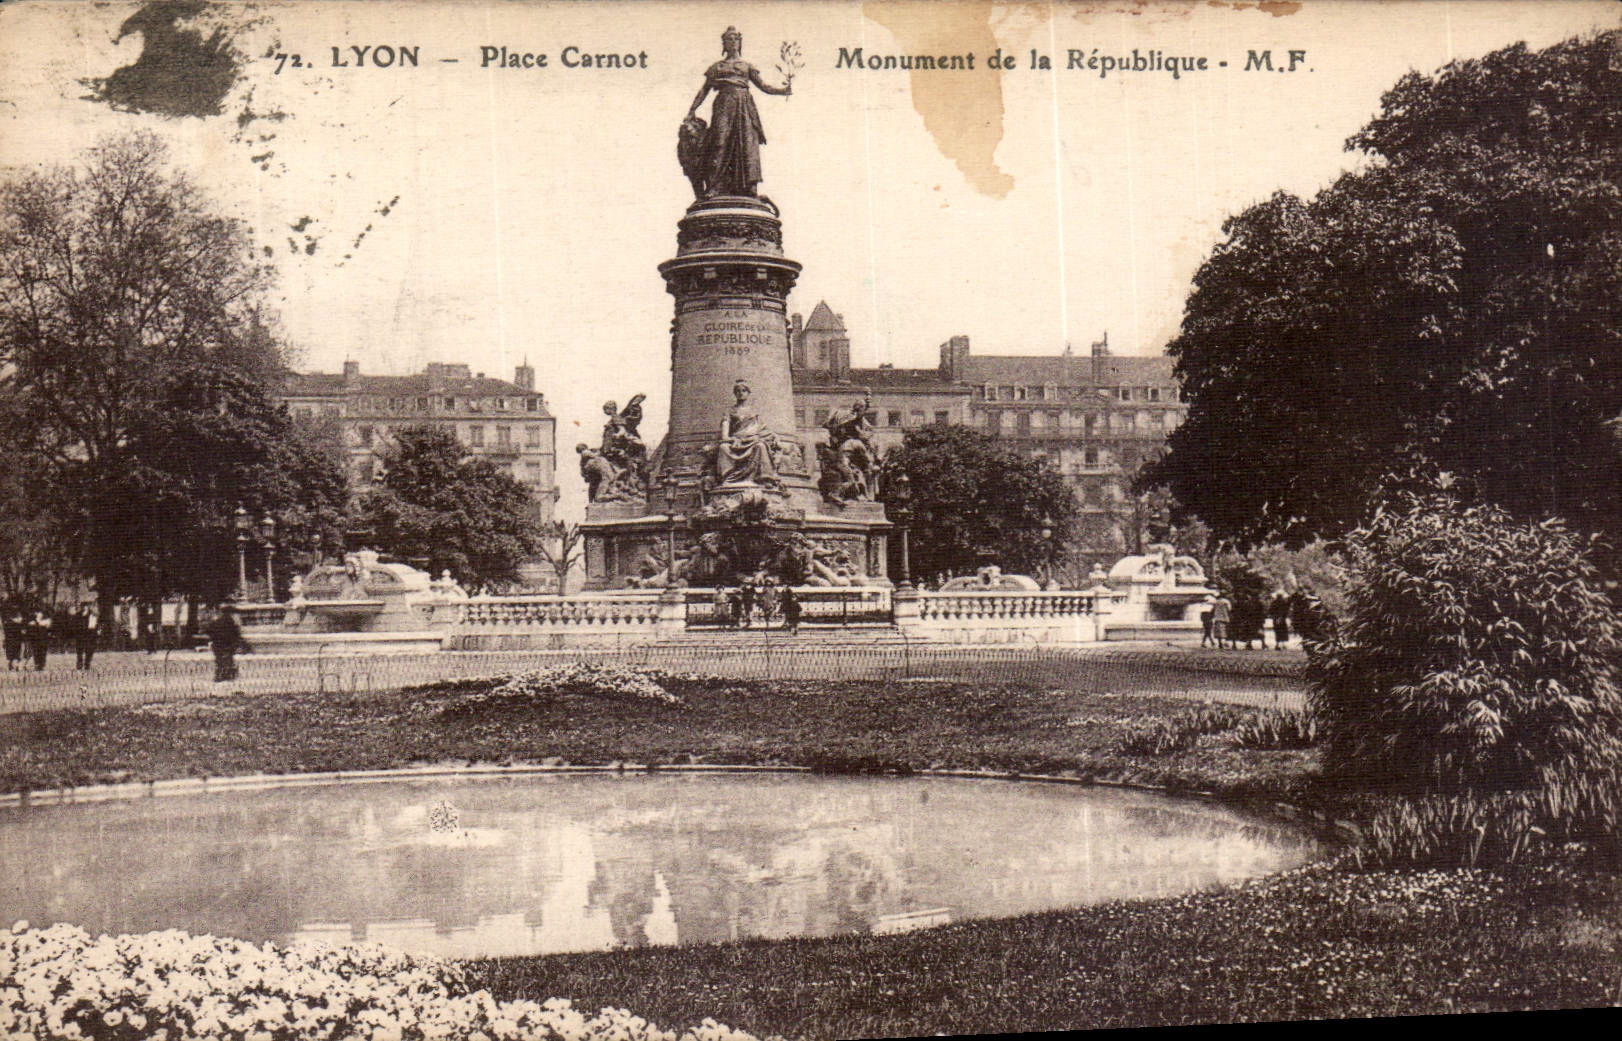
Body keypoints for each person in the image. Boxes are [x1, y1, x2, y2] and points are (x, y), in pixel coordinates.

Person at [683, 27, 791, 198]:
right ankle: (715, 186)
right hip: (724, 104)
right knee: (719, 142)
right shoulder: (717, 67)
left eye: (735, 39)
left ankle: (749, 186)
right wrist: (692, 110)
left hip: (744, 106)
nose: (733, 42)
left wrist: (782, 90)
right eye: (729, 39)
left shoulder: (747, 67)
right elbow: (704, 90)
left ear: (740, 43)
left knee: (747, 144)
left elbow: (764, 86)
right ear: (724, 44)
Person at [715, 380, 780, 487]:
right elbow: (724, 435)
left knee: (760, 446)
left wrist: (775, 436)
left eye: (744, 390)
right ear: (735, 393)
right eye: (738, 391)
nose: (741, 393)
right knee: (723, 447)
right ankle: (727, 478)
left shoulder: (754, 412)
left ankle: (765, 478)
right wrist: (732, 439)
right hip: (736, 443)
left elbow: (764, 429)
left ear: (748, 393)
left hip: (752, 441)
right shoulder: (729, 412)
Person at [207, 604, 251, 683]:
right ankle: (227, 675)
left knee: (220, 660)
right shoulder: (230, 622)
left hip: (217, 645)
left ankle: (220, 675)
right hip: (226, 645)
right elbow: (236, 634)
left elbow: (210, 631)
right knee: (227, 660)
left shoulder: (217, 621)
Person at [2, 604, 23, 671]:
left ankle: (13, 665)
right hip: (12, 637)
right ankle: (13, 665)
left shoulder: (8, 619)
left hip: (13, 637)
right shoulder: (9, 619)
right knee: (14, 651)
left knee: (13, 651)